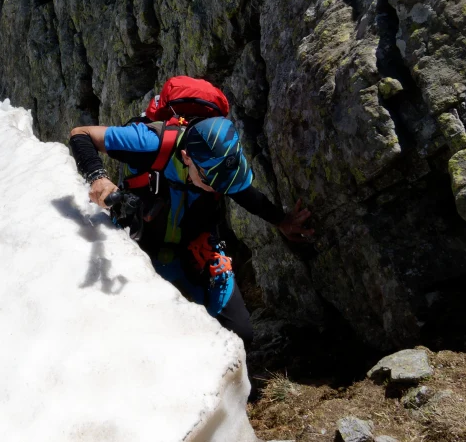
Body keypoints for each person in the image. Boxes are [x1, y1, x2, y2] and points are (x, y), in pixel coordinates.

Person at [69, 76, 312, 345]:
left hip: (194, 249)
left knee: (241, 334)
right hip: (140, 247)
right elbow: (81, 134)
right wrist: (98, 177)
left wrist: (281, 221)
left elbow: (243, 192)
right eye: (210, 182)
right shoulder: (150, 143)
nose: (215, 189)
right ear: (187, 157)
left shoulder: (220, 162)